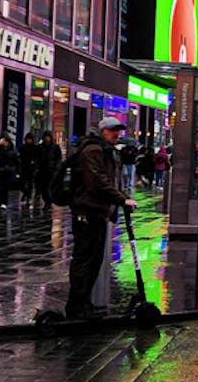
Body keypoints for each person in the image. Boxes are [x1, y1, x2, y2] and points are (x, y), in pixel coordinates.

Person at [66, 117, 136, 320]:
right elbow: (97, 181)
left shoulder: (106, 150)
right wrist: (121, 199)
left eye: (119, 130)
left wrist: (122, 198)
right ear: (103, 130)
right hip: (87, 212)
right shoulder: (93, 150)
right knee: (85, 260)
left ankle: (84, 304)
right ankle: (76, 307)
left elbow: (111, 181)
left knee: (93, 261)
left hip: (97, 212)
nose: (117, 134)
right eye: (113, 130)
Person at [35, 132, 62, 207]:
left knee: (48, 187)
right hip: (42, 170)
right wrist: (37, 166)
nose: (47, 138)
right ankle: (47, 201)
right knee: (43, 188)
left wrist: (56, 167)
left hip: (51, 170)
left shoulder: (55, 147)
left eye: (48, 137)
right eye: (46, 137)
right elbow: (37, 157)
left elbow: (58, 158)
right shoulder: (40, 147)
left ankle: (48, 202)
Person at [0, 135, 18, 209]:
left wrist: (17, 172)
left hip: (7, 171)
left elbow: (16, 162)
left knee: (5, 186)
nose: (4, 143)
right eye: (3, 141)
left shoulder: (13, 151)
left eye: (6, 141)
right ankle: (1, 201)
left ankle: (4, 202)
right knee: (0, 186)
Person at [19, 132, 37, 206]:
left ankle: (28, 197)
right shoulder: (22, 147)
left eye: (30, 139)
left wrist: (34, 163)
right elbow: (20, 157)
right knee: (22, 183)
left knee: (30, 183)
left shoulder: (35, 148)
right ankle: (25, 194)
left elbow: (36, 158)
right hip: (23, 167)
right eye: (27, 139)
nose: (29, 140)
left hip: (31, 168)